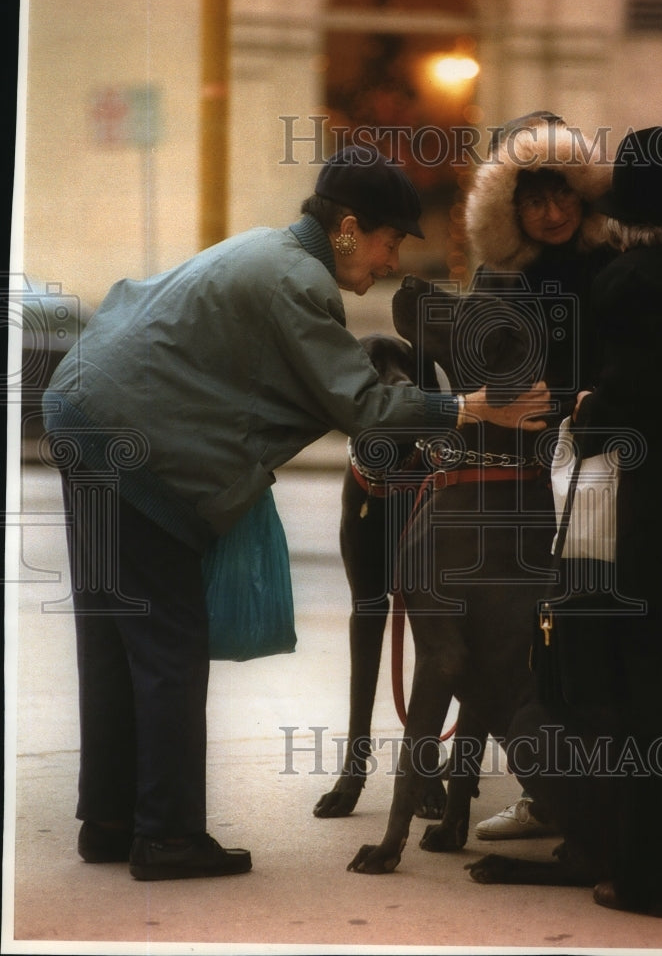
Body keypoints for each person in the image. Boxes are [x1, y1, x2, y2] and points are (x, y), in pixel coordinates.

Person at [42, 145, 552, 882]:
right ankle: (167, 835)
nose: (386, 261)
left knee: (114, 635)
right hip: (129, 445)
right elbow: (368, 409)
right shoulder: (297, 281)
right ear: (347, 228)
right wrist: (472, 407)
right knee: (167, 649)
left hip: (81, 414)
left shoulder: (263, 250)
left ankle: (112, 819)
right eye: (385, 241)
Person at [502, 126, 662, 916]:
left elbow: (623, 412)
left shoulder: (629, 282)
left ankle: (648, 878)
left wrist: (588, 410)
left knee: (654, 699)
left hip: (658, 526)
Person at [462, 111, 616, 841]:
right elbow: (486, 379)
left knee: (594, 637)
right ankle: (546, 791)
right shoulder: (499, 277)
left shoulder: (614, 264)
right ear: (508, 208)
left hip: (605, 472)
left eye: (563, 195)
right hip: (526, 477)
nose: (552, 212)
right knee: (528, 641)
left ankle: (592, 797)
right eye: (534, 199)